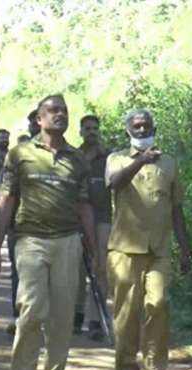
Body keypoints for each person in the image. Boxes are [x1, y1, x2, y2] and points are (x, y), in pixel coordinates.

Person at [0, 95, 98, 370]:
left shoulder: (77, 159)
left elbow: (84, 204)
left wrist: (93, 248)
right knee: (33, 311)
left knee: (61, 320)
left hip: (67, 242)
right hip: (30, 240)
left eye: (64, 111)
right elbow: (6, 200)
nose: (60, 115)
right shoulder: (19, 154)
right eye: (53, 111)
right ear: (39, 118)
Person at [105, 109, 191, 370]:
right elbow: (113, 183)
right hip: (124, 250)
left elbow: (176, 209)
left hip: (159, 249)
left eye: (146, 126)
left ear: (154, 127)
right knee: (126, 314)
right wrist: (140, 161)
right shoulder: (117, 159)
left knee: (158, 305)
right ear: (128, 130)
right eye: (136, 126)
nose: (142, 130)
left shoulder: (169, 163)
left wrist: (185, 249)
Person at [73, 115, 113, 341]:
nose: (92, 132)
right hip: (76, 220)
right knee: (77, 270)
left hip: (104, 218)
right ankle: (77, 315)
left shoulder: (108, 157)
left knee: (100, 268)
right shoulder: (74, 156)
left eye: (95, 128)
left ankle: (96, 320)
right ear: (80, 131)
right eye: (87, 128)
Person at [5, 117, 38, 336]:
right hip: (20, 226)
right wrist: (5, 227)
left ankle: (38, 320)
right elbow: (7, 194)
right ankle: (19, 318)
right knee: (19, 273)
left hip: (52, 229)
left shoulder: (64, 155)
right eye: (33, 123)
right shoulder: (17, 156)